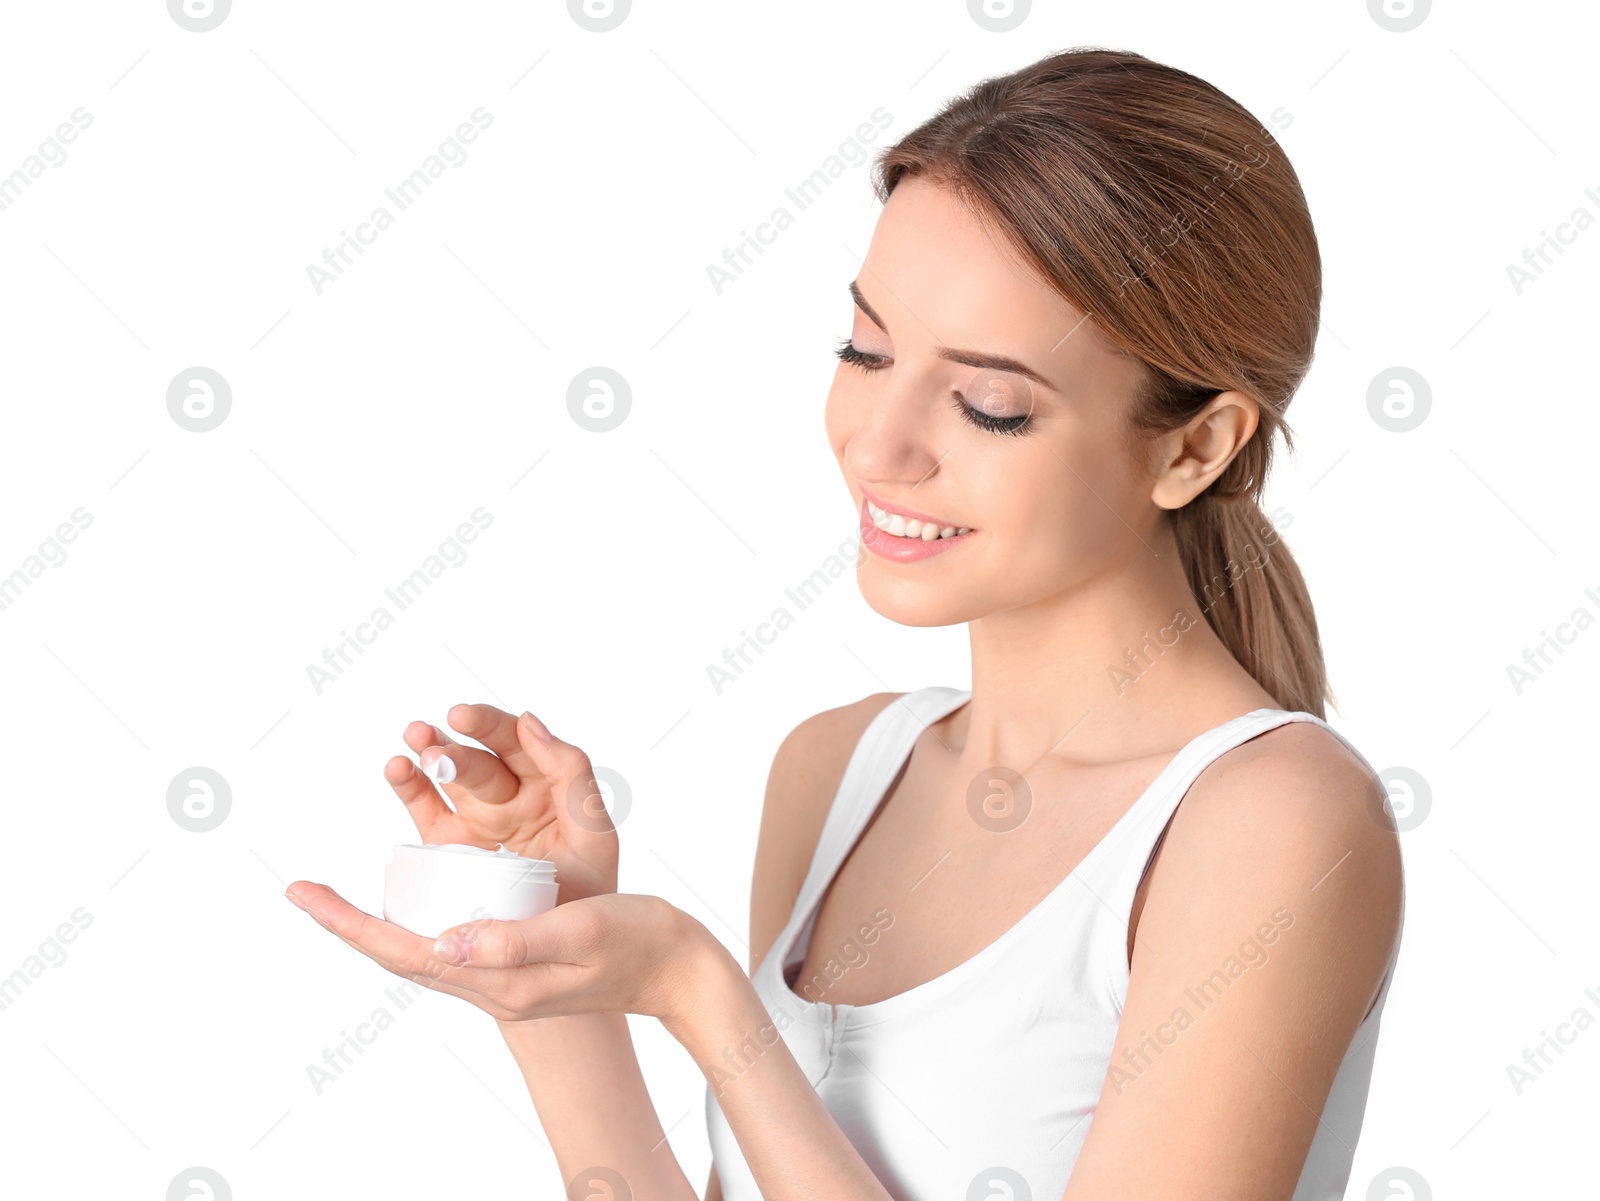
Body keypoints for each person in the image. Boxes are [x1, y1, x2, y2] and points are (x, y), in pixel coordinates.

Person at [287, 46, 1405, 1201]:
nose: (878, 444)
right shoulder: (838, 770)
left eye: (990, 404)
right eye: (865, 351)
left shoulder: (1271, 820)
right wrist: (546, 962)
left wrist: (704, 998)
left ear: (1193, 446)